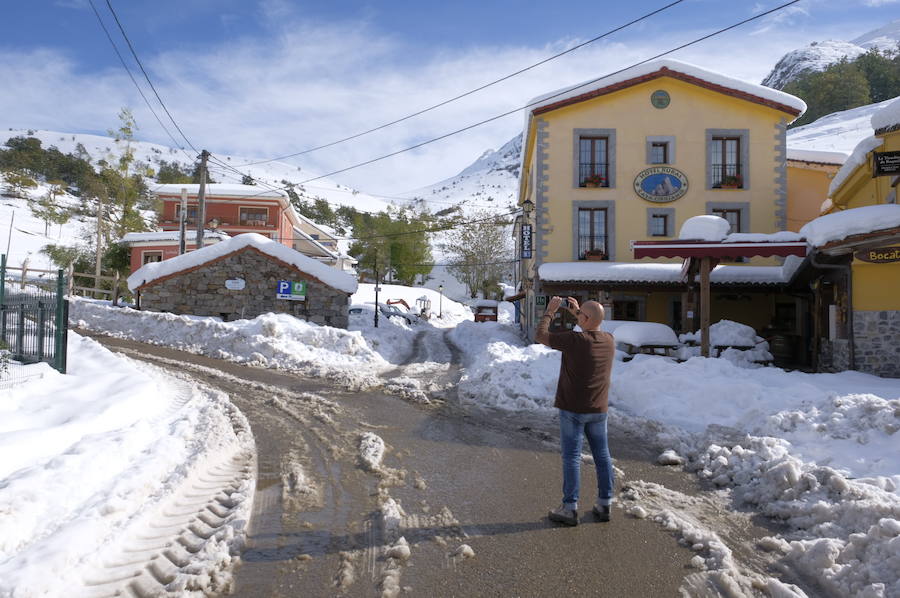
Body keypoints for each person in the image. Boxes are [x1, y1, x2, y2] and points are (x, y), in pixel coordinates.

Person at [536, 296, 615, 526]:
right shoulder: (609, 340)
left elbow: (540, 336)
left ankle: (569, 508)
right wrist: (579, 312)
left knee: (571, 457)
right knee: (602, 455)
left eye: (581, 315)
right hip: (598, 409)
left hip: (572, 408)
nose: (577, 317)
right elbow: (591, 326)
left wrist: (550, 311)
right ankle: (604, 503)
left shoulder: (575, 340)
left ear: (586, 319)